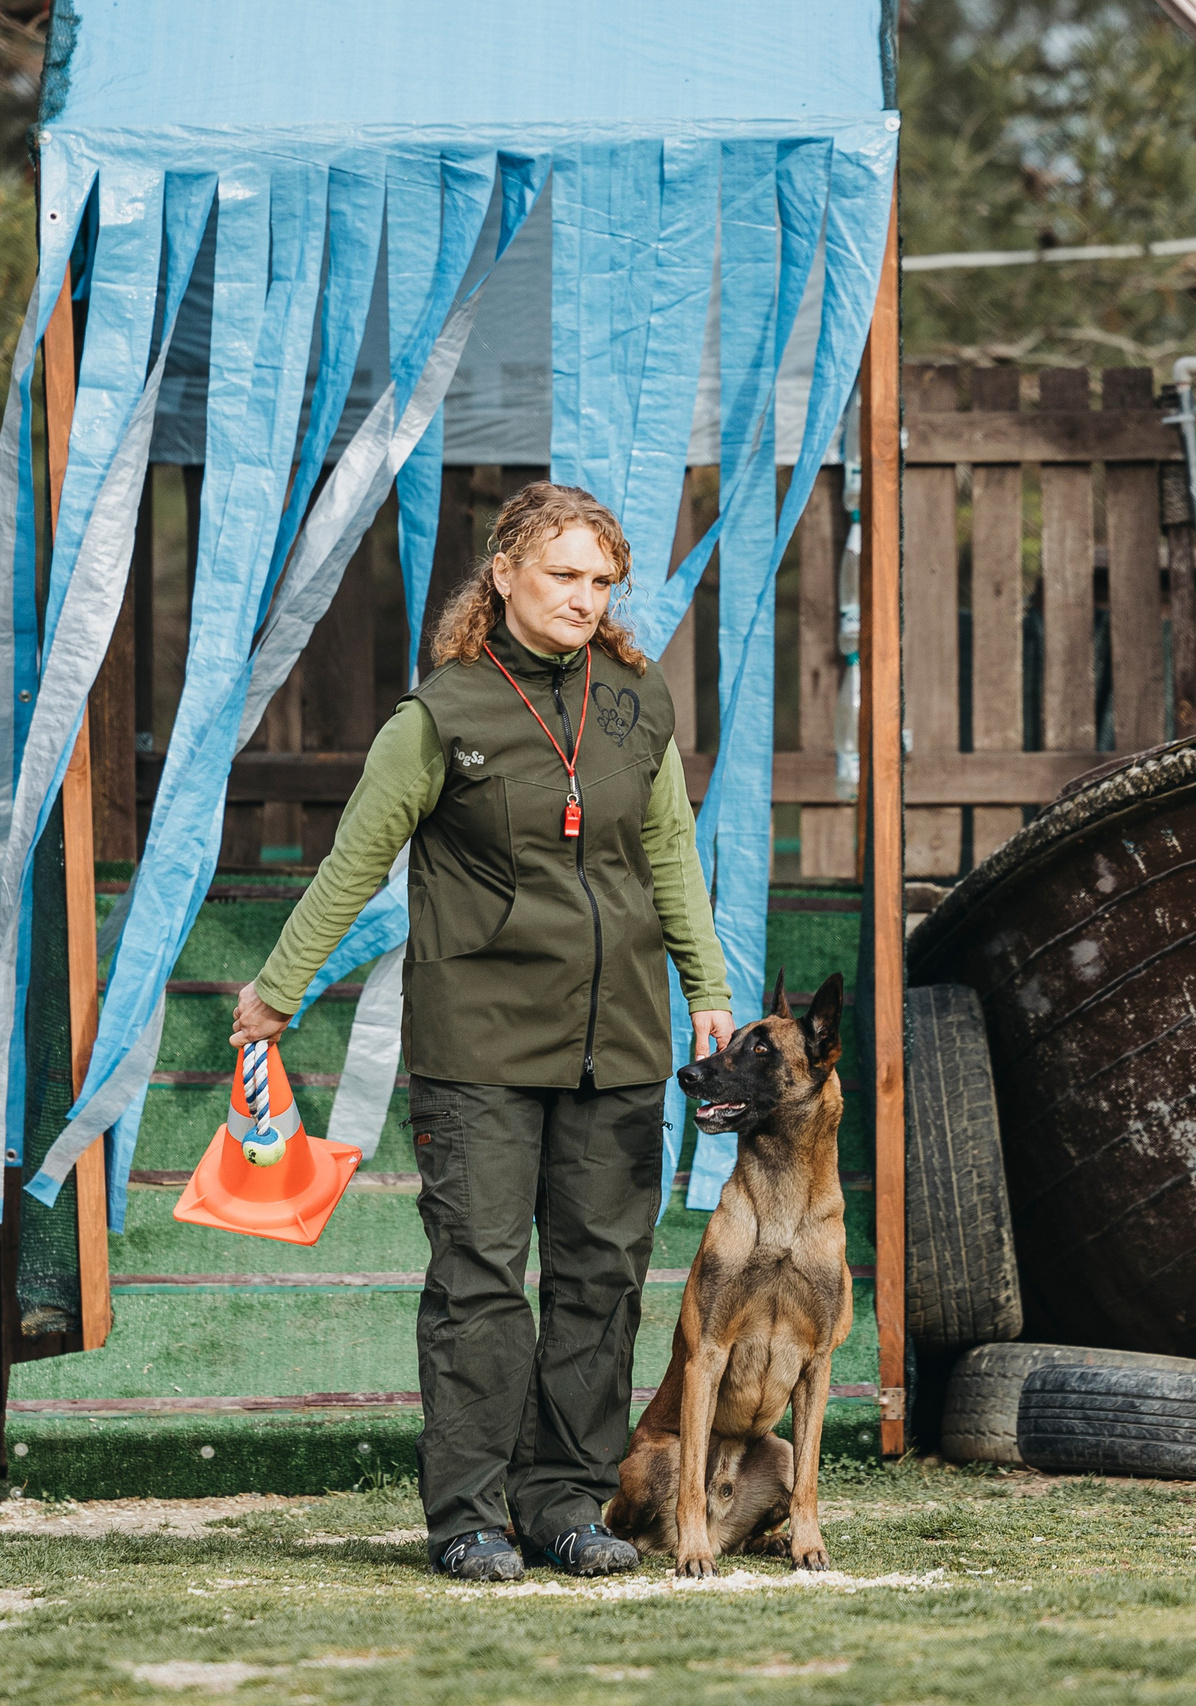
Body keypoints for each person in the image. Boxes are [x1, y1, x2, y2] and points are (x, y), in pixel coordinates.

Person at [230, 483, 734, 1582]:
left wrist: (707, 982)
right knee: (481, 1281)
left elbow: (671, 854)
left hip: (623, 1038)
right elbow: (355, 859)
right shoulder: (440, 714)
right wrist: (278, 987)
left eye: (602, 581)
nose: (583, 599)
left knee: (601, 1276)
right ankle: (468, 1514)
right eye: (563, 575)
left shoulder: (637, 703)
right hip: (480, 1044)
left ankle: (562, 1503)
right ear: (502, 573)